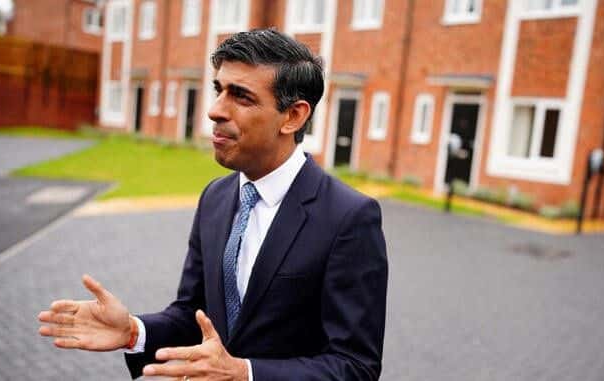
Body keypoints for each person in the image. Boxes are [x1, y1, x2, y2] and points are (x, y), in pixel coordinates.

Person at [38, 28, 388, 381]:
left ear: (293, 116)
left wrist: (245, 373)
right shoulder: (215, 198)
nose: (214, 111)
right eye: (219, 90)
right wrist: (133, 331)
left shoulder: (349, 218)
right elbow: (192, 315)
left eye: (242, 97)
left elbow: (356, 366)